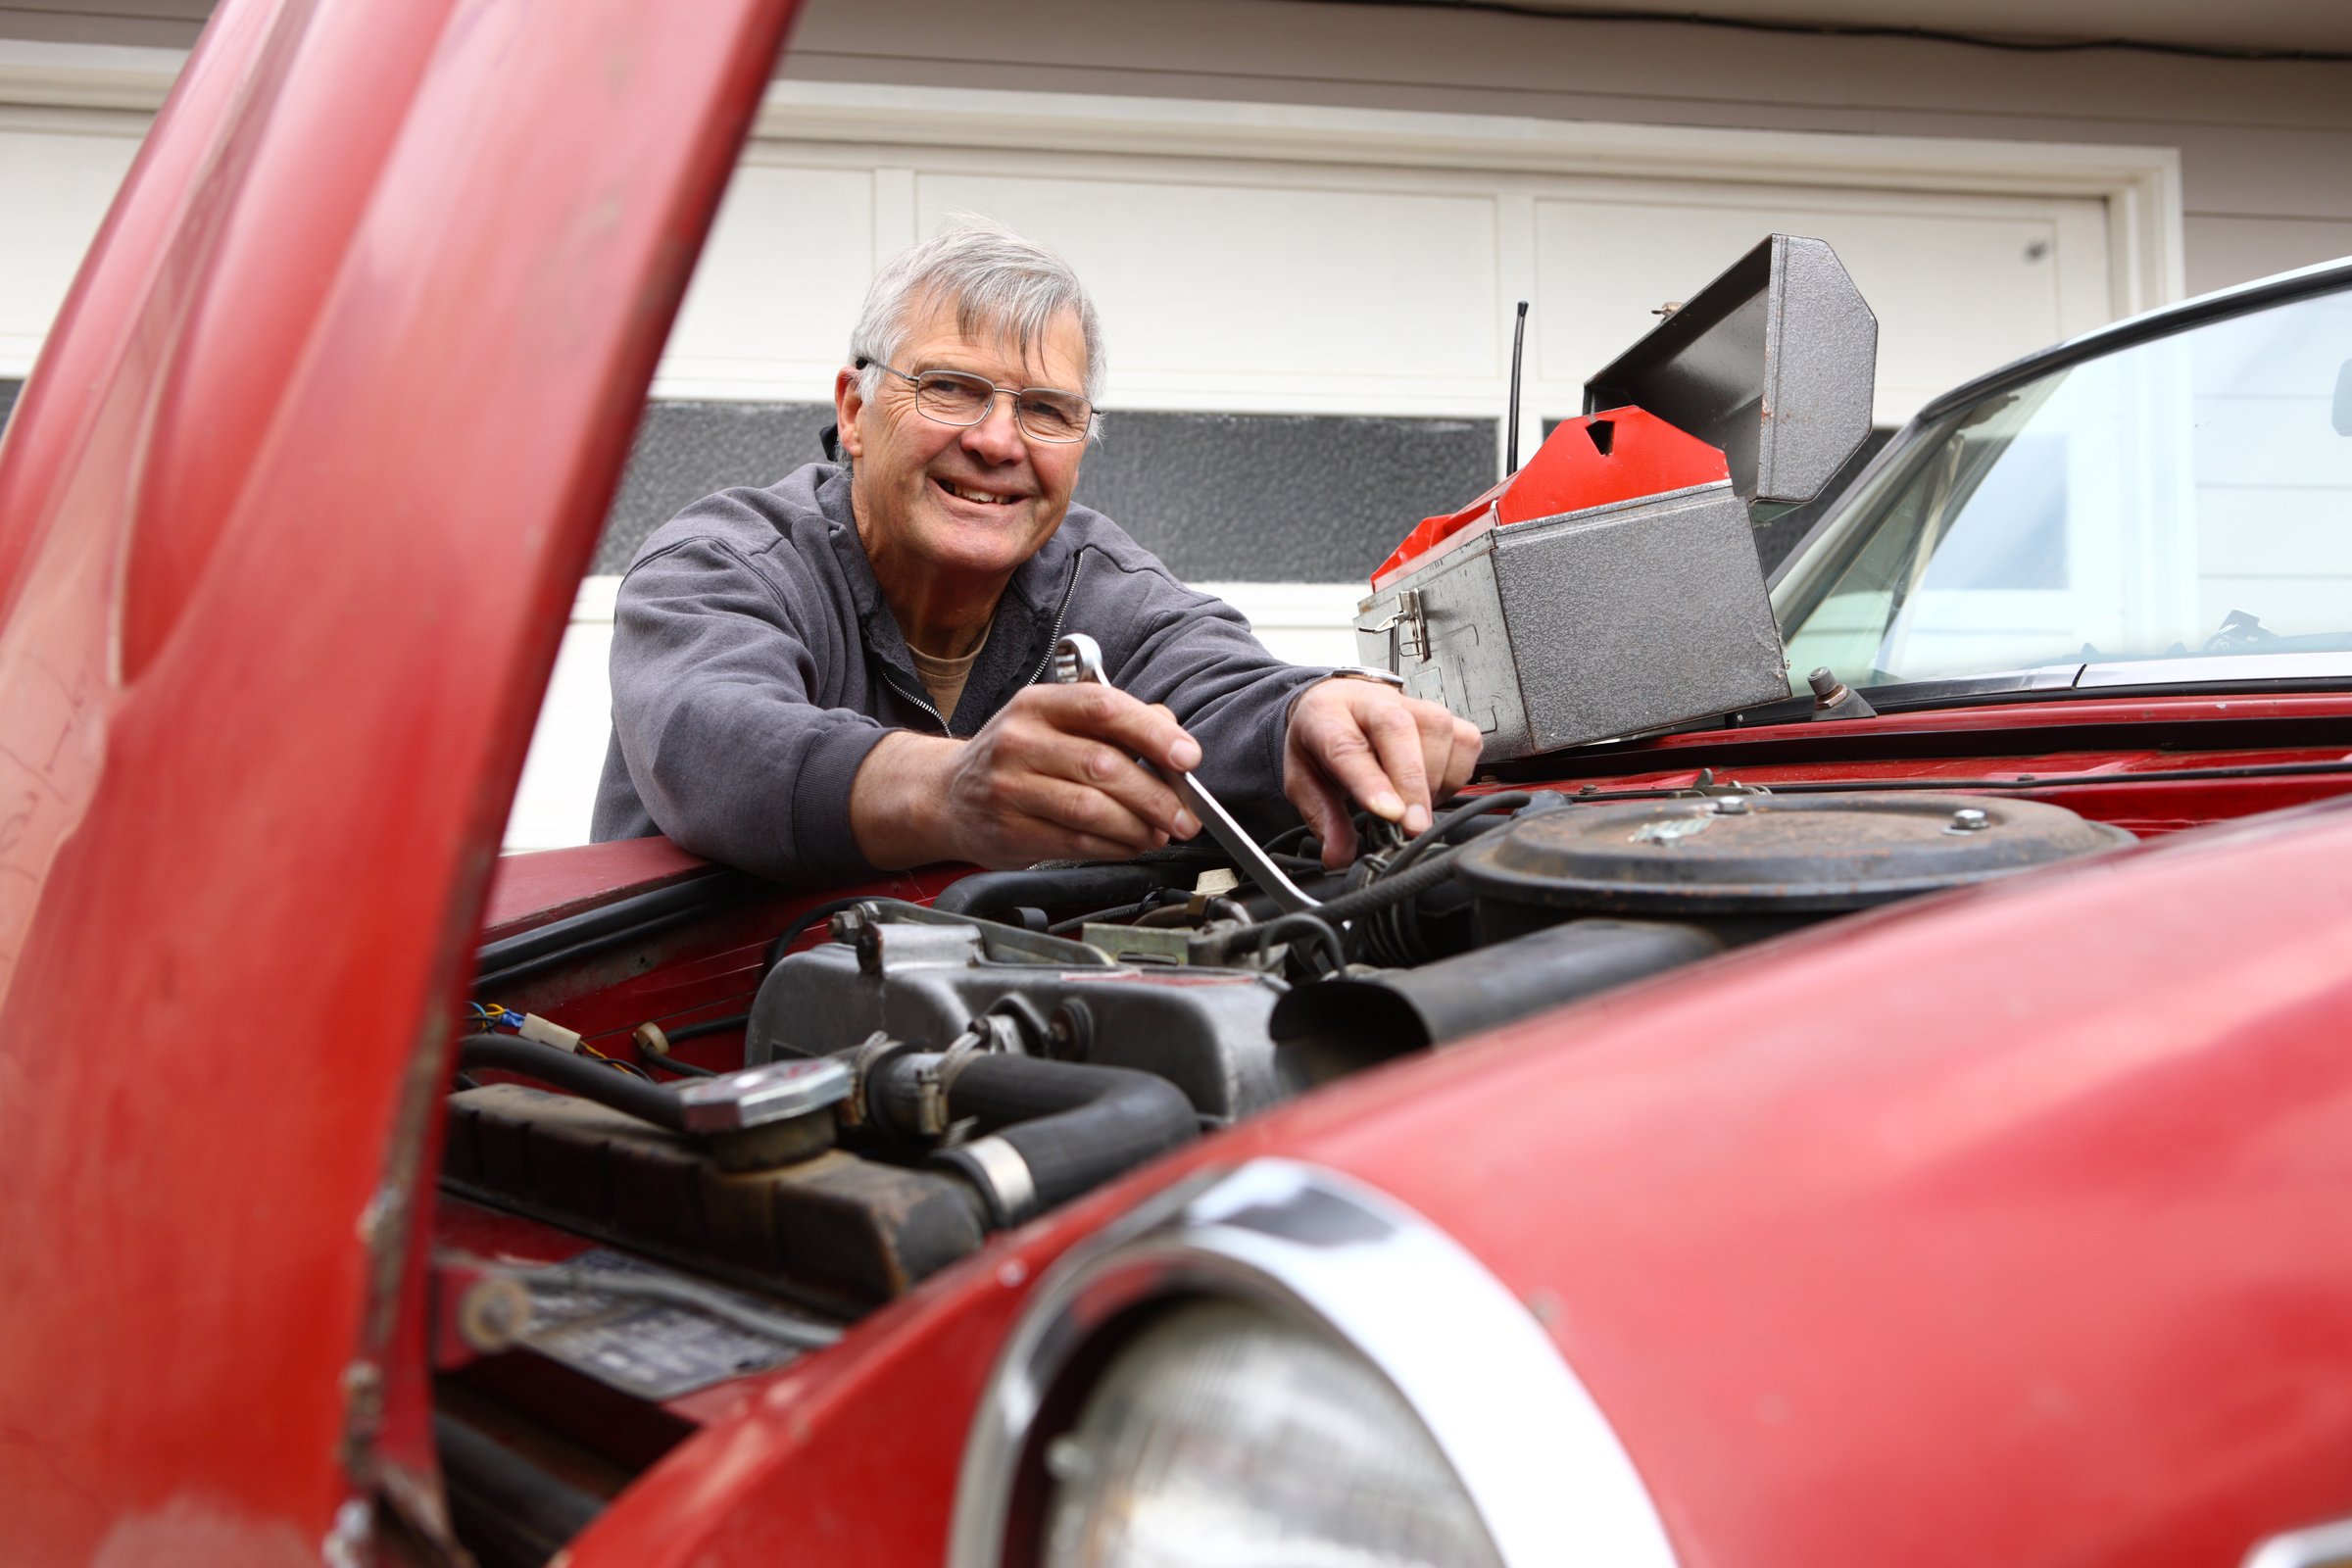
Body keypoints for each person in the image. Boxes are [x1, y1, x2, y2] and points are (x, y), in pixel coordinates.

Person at [592, 220, 1482, 887]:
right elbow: (718, 744)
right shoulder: (721, 566)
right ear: (855, 413)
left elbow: (1219, 683)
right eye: (950, 388)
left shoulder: (1101, 587)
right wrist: (953, 790)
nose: (997, 441)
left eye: (1047, 411)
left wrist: (1308, 715)